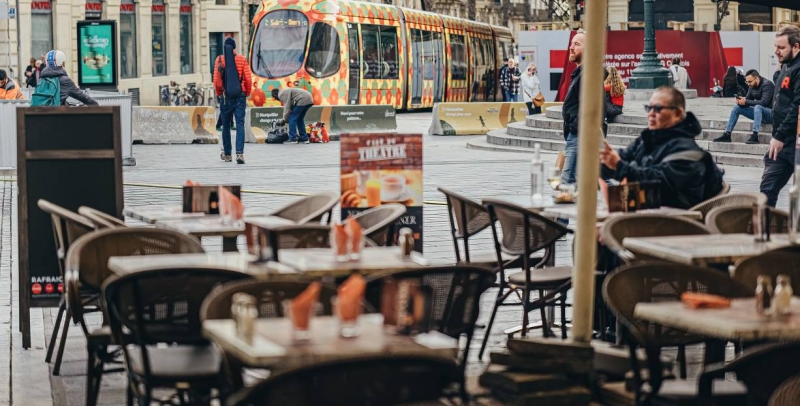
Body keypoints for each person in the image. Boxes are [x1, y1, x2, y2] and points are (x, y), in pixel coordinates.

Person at [600, 86, 724, 209]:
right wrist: (604, 163)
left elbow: (657, 182)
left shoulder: (687, 151)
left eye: (658, 109)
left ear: (677, 113)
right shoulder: (647, 139)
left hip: (676, 221)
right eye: (649, 108)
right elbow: (624, 157)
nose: (651, 114)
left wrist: (618, 166)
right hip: (646, 211)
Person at [760, 26, 800, 208]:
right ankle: (766, 231)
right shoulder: (788, 65)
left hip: (793, 141)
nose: (776, 51)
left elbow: (797, 106)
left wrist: (779, 136)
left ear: (796, 47)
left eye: (781, 47)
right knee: (767, 191)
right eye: (775, 46)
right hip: (782, 143)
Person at [213, 36, 251, 164]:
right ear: (234, 47)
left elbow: (216, 80)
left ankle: (228, 155)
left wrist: (220, 94)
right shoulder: (242, 59)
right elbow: (248, 78)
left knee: (225, 126)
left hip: (225, 96)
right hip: (240, 95)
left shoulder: (219, 60)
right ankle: (240, 154)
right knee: (240, 124)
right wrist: (247, 92)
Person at [713, 69, 775, 145]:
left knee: (758, 107)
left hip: (771, 114)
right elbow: (748, 100)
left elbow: (763, 102)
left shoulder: (767, 85)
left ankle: (755, 136)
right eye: (747, 82)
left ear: (756, 78)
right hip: (759, 114)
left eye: (749, 81)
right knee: (737, 108)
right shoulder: (752, 85)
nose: (748, 84)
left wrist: (745, 101)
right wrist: (740, 101)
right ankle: (727, 134)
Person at [561, 32, 585, 186]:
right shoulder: (580, 74)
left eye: (577, 44)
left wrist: (574, 127)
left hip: (578, 135)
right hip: (577, 134)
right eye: (572, 43)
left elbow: (590, 107)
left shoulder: (587, 75)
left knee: (566, 182)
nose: (571, 48)